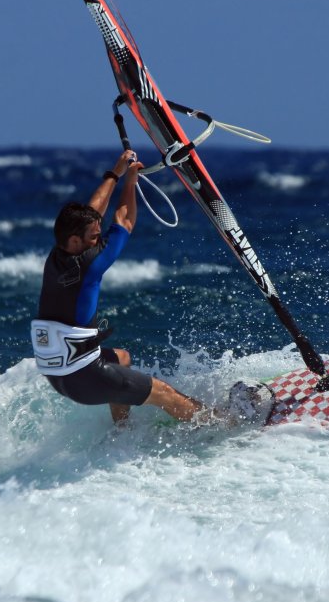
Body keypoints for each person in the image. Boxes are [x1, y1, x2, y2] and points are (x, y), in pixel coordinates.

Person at [30, 150, 208, 425]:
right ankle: (222, 425)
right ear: (77, 241)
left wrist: (115, 173)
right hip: (84, 377)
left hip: (59, 376)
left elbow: (92, 213)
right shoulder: (90, 263)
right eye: (94, 236)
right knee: (164, 393)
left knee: (122, 358)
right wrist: (130, 182)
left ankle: (121, 433)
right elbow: (124, 221)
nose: (98, 239)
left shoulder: (57, 256)